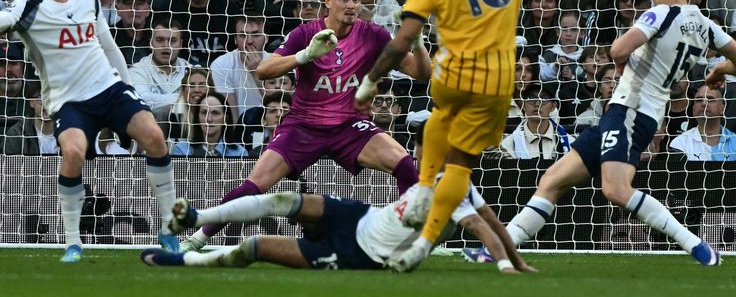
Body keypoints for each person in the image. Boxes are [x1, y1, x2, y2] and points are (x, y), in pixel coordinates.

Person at [496, 0, 736, 267]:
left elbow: (617, 49)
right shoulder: (704, 24)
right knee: (552, 180)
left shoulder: (658, 14)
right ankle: (499, 250)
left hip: (630, 112)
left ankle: (696, 245)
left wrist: (622, 62)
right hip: (630, 113)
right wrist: (718, 71)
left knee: (616, 190)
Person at [354, 0, 570, 272]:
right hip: (494, 81)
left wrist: (370, 82)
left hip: (449, 76)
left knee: (438, 133)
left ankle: (425, 190)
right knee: (459, 170)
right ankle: (424, 241)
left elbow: (401, 42)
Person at [179, 0, 431, 252]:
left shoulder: (373, 34)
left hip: (350, 126)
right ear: (328, 2)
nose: (351, 5)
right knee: (255, 184)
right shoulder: (306, 34)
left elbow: (421, 73)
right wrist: (305, 56)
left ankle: (410, 240)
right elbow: (263, 71)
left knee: (405, 165)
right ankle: (197, 238)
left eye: (356, 0)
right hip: (303, 126)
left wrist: (417, 42)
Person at [0, 0, 180, 262]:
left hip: (109, 90)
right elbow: (7, 18)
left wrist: (127, 88)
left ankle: (169, 228)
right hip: (68, 101)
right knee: (73, 153)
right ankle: (73, 242)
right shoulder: (29, 7)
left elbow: (109, 47)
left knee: (155, 137)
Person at [141, 183, 537, 273]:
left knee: (255, 247)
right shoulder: (439, 170)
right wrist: (515, 259)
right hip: (360, 216)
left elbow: (486, 227)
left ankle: (187, 261)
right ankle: (198, 218)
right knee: (286, 200)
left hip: (362, 255)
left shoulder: (459, 191)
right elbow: (495, 227)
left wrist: (508, 265)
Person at [669, 86, 736, 162]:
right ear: (693, 109)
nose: (704, 103)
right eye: (699, 100)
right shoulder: (680, 143)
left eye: (710, 99)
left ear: (722, 109)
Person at [128, 16, 190, 114]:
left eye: (172, 41)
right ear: (151, 43)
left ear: (181, 44)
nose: (166, 45)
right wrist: (186, 98)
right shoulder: (136, 71)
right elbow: (141, 100)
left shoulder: (192, 71)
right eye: (160, 40)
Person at [171, 91, 249, 157]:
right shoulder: (182, 150)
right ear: (197, 117)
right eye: (204, 113)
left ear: (225, 118)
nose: (209, 119)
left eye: (215, 113)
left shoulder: (239, 153)